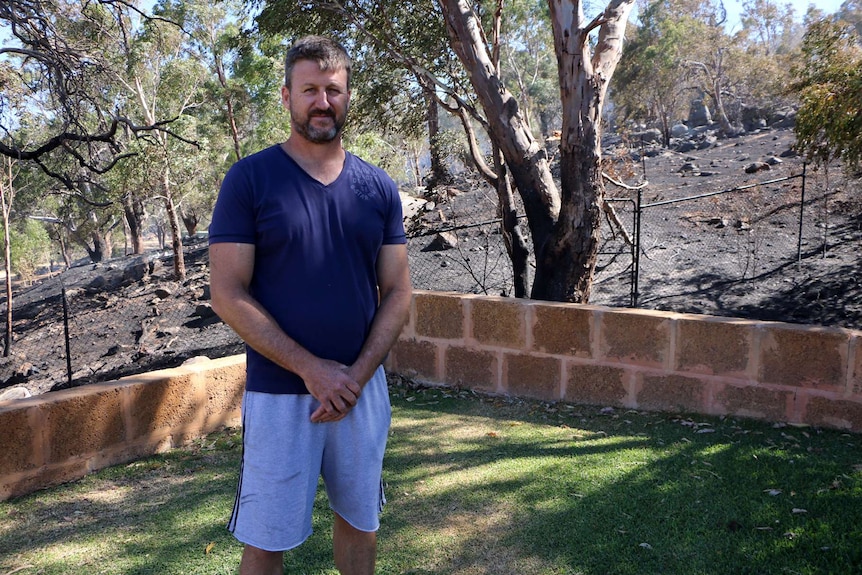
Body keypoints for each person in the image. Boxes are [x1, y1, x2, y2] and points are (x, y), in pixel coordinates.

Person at [208, 35, 412, 575]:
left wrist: (354, 378)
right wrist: (311, 370)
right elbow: (227, 293)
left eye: (333, 90)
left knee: (361, 524)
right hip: (279, 394)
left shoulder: (378, 188)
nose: (322, 102)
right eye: (310, 90)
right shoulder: (250, 180)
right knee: (266, 540)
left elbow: (398, 292)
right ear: (286, 97)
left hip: (361, 393)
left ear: (347, 97)